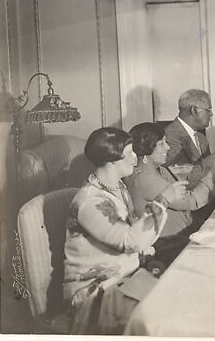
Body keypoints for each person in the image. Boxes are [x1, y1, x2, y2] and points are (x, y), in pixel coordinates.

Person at [63, 127, 185, 334]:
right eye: (129, 154)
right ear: (112, 161)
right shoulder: (89, 202)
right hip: (96, 291)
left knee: (181, 293)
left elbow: (132, 234)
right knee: (167, 311)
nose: (135, 157)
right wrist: (163, 200)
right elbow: (129, 241)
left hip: (126, 277)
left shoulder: (117, 188)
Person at [126, 122, 215, 265]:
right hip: (169, 245)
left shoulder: (158, 169)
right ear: (146, 150)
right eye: (162, 143)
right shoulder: (143, 178)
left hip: (183, 234)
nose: (168, 147)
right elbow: (193, 200)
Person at [164, 89, 215, 229]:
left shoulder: (201, 138)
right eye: (208, 110)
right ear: (194, 110)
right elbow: (182, 182)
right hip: (187, 216)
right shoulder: (169, 137)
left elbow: (208, 176)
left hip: (206, 206)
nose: (211, 114)